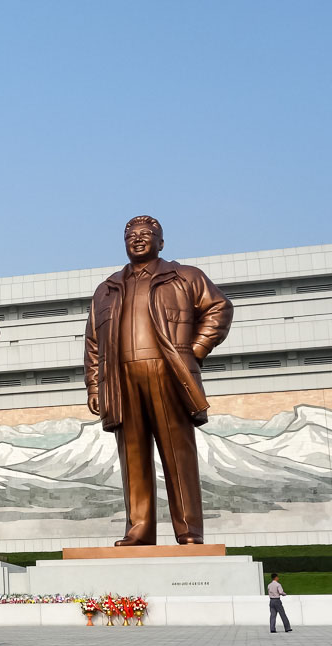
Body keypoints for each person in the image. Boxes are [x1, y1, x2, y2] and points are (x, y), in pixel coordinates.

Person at [85, 215, 233, 546]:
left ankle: (189, 530)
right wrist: (95, 386)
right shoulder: (107, 289)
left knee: (177, 455)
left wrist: (195, 349)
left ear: (161, 242)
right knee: (133, 457)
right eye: (131, 236)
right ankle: (139, 528)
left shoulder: (184, 277)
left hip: (168, 374)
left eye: (146, 234)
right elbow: (93, 343)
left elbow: (219, 308)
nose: (137, 239)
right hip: (122, 380)